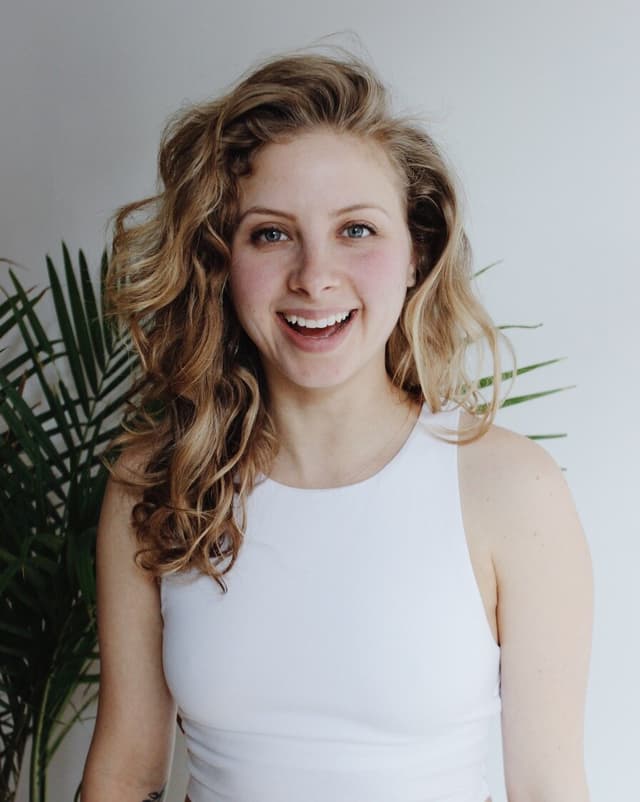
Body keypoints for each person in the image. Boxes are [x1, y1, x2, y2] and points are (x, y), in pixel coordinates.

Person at [81, 49, 593, 802]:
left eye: (356, 230)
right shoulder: (155, 480)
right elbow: (123, 772)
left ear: (416, 253)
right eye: (270, 233)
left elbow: (549, 788)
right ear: (222, 261)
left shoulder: (511, 487)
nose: (314, 277)